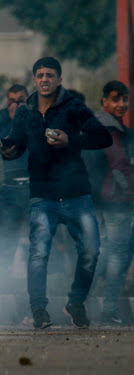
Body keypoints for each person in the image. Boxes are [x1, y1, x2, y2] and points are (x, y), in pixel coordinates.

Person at [0, 57, 112, 329]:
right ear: (34, 80)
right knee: (38, 253)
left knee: (91, 250)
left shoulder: (73, 106)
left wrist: (71, 140)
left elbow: (103, 137)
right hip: (43, 195)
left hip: (76, 194)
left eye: (50, 75)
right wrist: (8, 149)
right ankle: (39, 310)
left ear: (59, 80)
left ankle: (75, 302)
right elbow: (16, 143)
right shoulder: (26, 111)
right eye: (39, 75)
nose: (44, 79)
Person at [84, 80, 134, 325]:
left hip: (97, 200)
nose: (122, 104)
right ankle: (108, 308)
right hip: (116, 202)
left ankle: (80, 301)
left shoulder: (94, 124)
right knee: (116, 254)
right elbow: (121, 166)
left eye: (125, 99)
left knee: (104, 251)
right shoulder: (111, 128)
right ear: (104, 101)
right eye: (116, 99)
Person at [0, 84, 30, 270]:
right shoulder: (3, 118)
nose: (15, 105)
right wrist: (11, 119)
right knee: (6, 239)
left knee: (39, 240)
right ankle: (0, 284)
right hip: (10, 189)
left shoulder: (36, 118)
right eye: (11, 101)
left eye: (20, 101)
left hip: (34, 188)